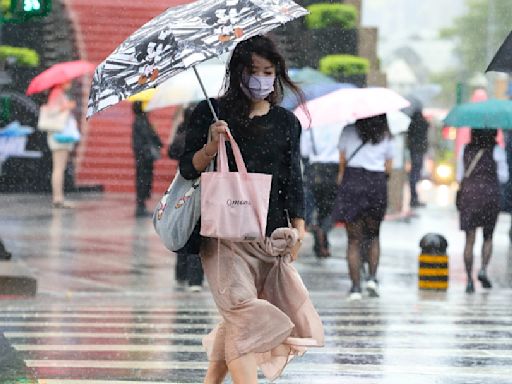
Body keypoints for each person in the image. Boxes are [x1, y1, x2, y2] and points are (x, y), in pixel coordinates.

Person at [179, 35, 324, 384]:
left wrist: (300, 226)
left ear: (277, 75)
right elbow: (187, 168)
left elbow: (293, 178)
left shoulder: (287, 122)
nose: (260, 78)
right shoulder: (210, 113)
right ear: (238, 73)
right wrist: (211, 145)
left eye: (268, 71)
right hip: (222, 235)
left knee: (237, 321)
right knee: (244, 316)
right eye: (253, 71)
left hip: (269, 236)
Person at [333, 115, 394, 301]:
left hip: (352, 182)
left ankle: (355, 288)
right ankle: (372, 279)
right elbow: (388, 168)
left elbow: (342, 162)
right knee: (374, 235)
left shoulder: (348, 130)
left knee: (353, 240)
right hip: (376, 184)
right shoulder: (386, 135)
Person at [456, 129, 508, 294]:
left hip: (470, 196)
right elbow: (504, 176)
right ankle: (483, 269)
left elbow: (459, 176)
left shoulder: (465, 149)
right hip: (490, 196)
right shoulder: (497, 150)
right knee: (488, 237)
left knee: (469, 239)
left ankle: (469, 280)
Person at [167, 104, 204, 292]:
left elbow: (171, 151)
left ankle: (181, 273)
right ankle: (195, 279)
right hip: (200, 191)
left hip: (182, 192)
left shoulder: (183, 136)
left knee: (182, 233)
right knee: (196, 235)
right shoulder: (203, 138)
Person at [301, 124, 343, 258]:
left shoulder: (310, 126)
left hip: (315, 170)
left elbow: (304, 152)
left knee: (317, 206)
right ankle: (322, 231)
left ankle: (319, 236)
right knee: (330, 208)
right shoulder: (341, 123)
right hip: (334, 170)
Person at [46, 82, 80, 208]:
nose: (70, 83)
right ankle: (58, 197)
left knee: (59, 167)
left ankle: (59, 197)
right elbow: (52, 112)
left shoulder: (59, 94)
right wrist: (66, 107)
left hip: (60, 135)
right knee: (58, 168)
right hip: (59, 136)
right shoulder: (57, 93)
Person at [132, 101, 162, 217]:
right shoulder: (141, 122)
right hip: (144, 158)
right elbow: (149, 139)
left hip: (142, 157)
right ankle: (141, 206)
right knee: (143, 180)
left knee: (143, 180)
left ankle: (141, 204)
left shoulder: (140, 121)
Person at [407, 110, 429, 208]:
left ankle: (413, 198)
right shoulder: (423, 124)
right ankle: (414, 198)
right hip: (419, 151)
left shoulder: (411, 124)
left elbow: (409, 137)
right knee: (416, 174)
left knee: (414, 174)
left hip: (414, 151)